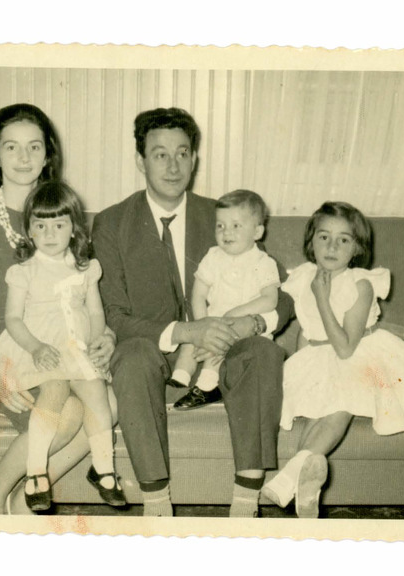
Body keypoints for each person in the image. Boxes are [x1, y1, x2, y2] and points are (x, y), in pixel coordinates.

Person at [92, 107, 294, 518]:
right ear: (140, 161)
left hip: (224, 349)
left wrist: (253, 322)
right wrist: (188, 331)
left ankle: (246, 501)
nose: (173, 166)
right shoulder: (112, 223)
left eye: (182, 154)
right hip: (154, 348)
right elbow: (114, 314)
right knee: (131, 356)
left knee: (263, 351)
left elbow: (282, 296)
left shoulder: (222, 217)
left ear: (194, 159)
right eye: (160, 155)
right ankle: (156, 502)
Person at [0, 104, 116, 514]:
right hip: (0, 354)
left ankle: (22, 501)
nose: (23, 157)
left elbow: (87, 296)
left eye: (34, 146)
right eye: (11, 147)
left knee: (110, 403)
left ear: (47, 154)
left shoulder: (64, 217)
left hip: (63, 347)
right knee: (66, 415)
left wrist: (105, 335)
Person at [260, 201, 404, 518]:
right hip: (320, 355)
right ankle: (305, 480)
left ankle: (289, 478)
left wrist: (323, 299)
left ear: (356, 249)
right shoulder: (304, 277)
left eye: (344, 240)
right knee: (315, 408)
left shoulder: (361, 284)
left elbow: (346, 348)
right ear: (311, 242)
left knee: (341, 400)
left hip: (362, 354)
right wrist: (300, 370)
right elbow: (308, 331)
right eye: (324, 237)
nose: (332, 246)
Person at [0, 181, 125, 511]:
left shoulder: (86, 268)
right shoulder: (24, 271)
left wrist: (97, 340)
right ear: (29, 230)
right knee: (54, 390)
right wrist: (36, 347)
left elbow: (96, 312)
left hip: (76, 346)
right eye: (41, 226)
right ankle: (36, 472)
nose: (50, 234)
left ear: (74, 228)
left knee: (97, 392)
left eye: (59, 225)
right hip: (40, 347)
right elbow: (13, 319)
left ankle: (104, 469)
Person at [170, 189, 281, 411]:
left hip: (245, 326)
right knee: (189, 340)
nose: (226, 232)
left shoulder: (263, 262)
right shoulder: (213, 256)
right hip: (212, 320)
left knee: (218, 343)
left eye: (236, 226)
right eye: (220, 226)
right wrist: (201, 325)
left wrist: (235, 314)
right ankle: (181, 376)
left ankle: (207, 385)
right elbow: (198, 294)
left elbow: (270, 299)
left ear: (257, 232)